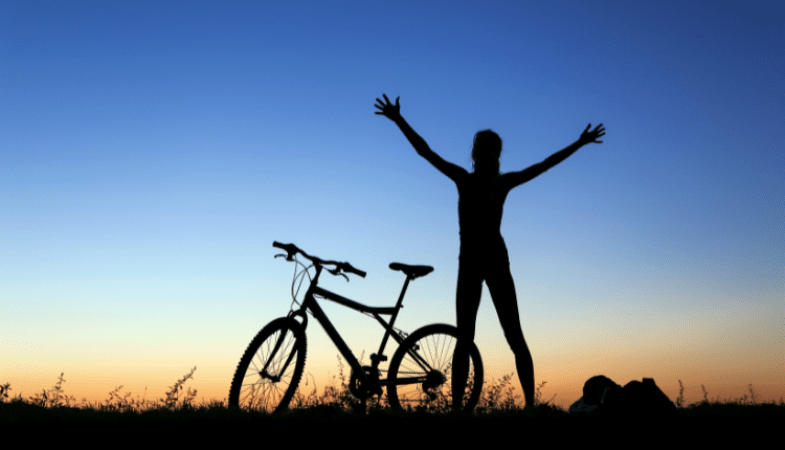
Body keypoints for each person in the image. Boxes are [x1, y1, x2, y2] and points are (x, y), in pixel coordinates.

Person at [374, 94, 605, 411]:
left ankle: (525, 407)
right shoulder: (467, 179)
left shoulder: (498, 182)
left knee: (510, 336)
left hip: (493, 261)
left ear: (493, 155)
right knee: (467, 338)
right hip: (472, 263)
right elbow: (425, 151)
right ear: (476, 154)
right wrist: (399, 120)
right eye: (485, 151)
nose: (488, 156)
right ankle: (460, 410)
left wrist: (579, 143)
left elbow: (544, 165)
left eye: (492, 151)